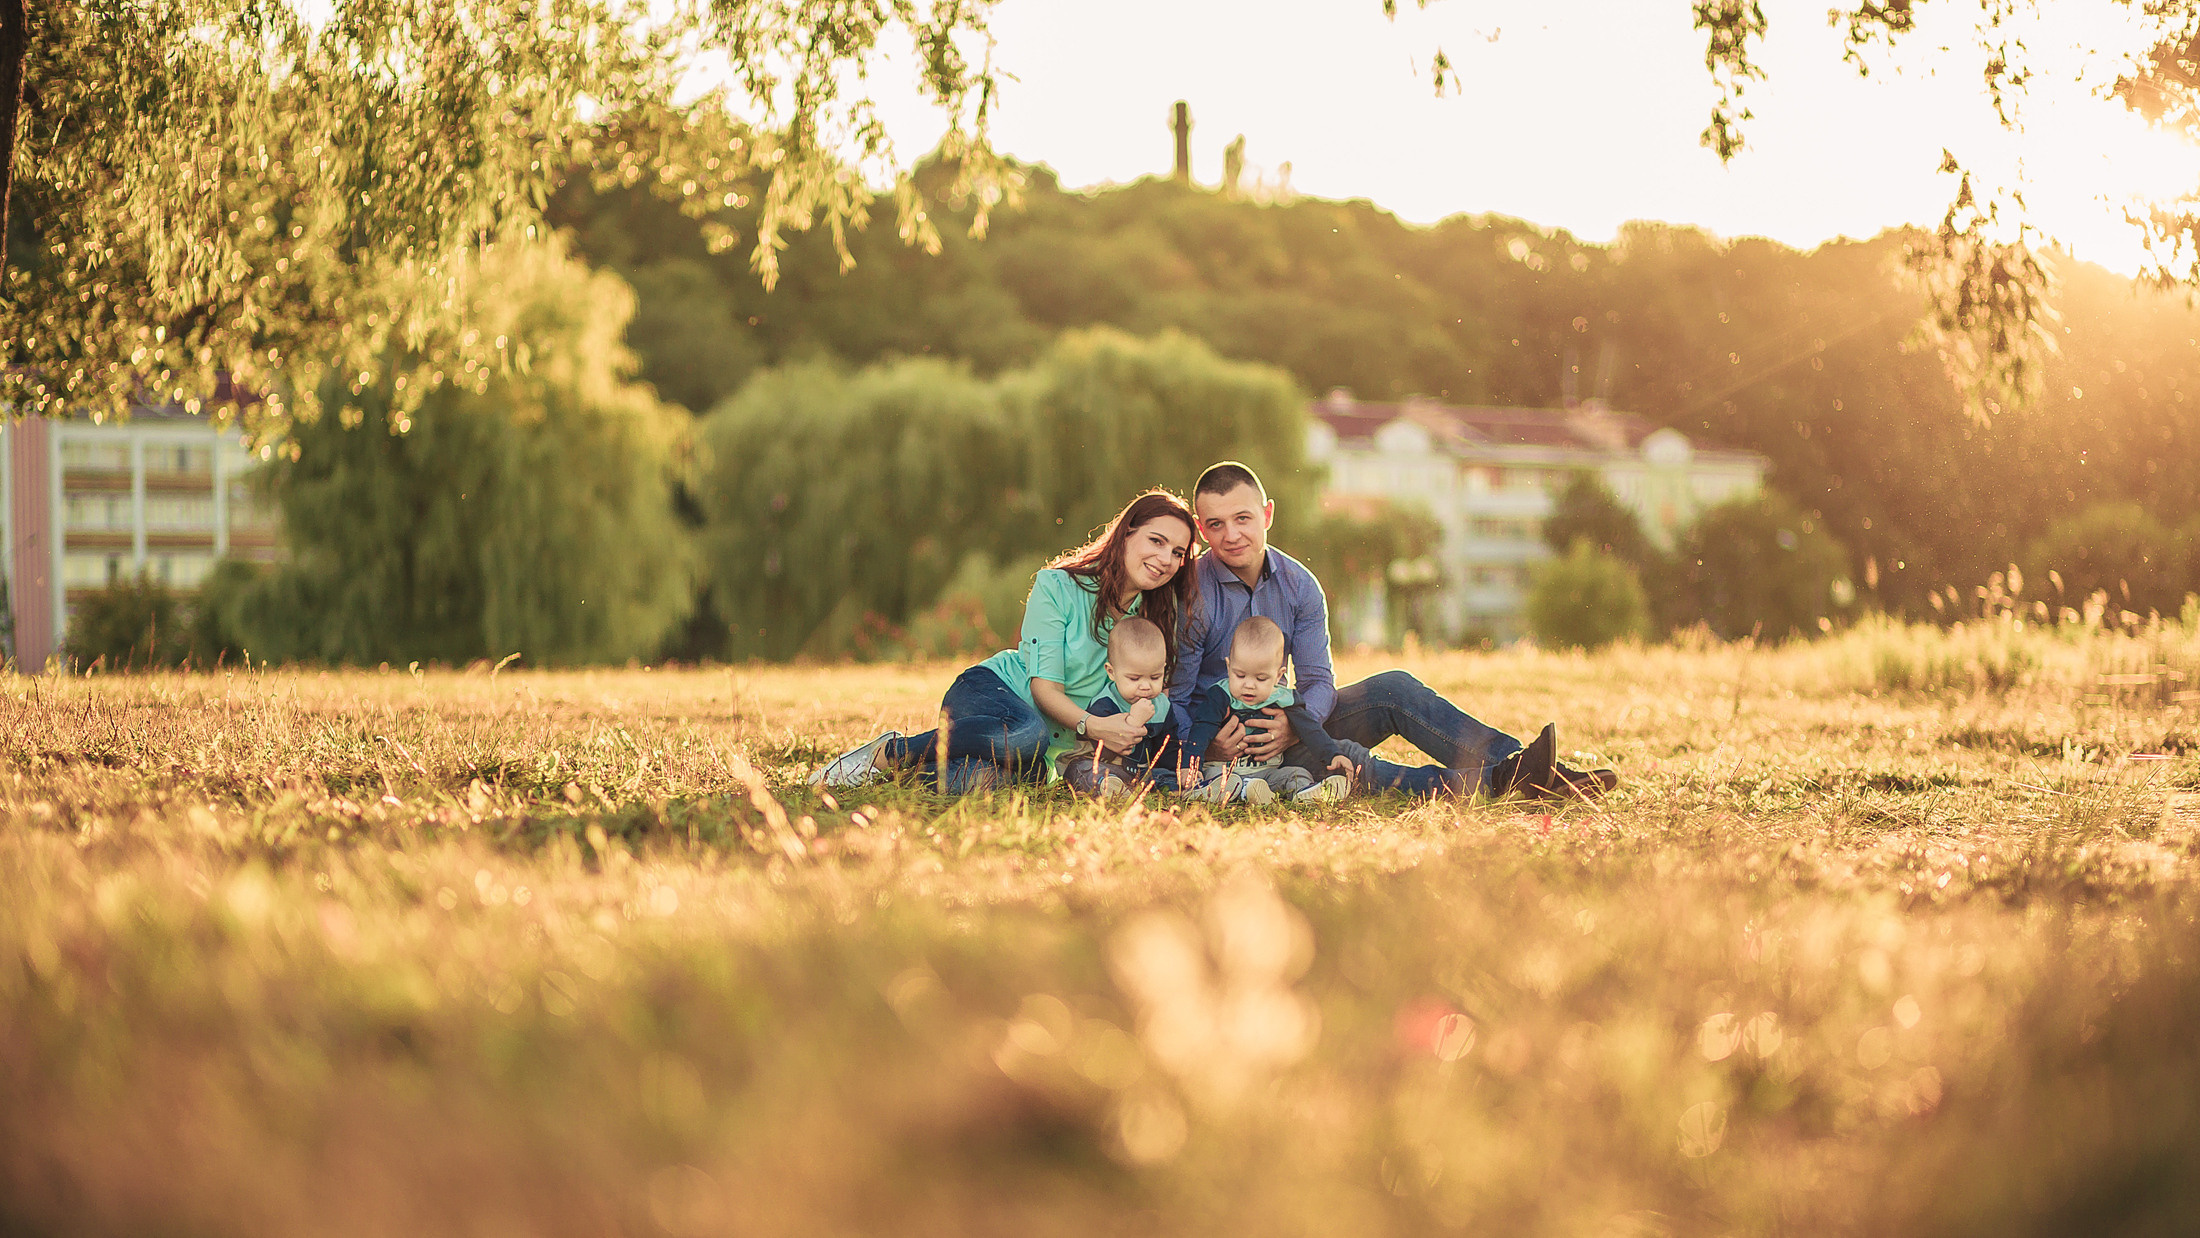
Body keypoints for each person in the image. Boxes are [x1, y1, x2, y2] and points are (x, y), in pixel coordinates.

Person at [1172, 460, 1616, 799]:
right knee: (1356, 765)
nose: (1231, 534)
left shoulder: (1300, 587)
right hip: (1220, 755)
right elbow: (1177, 695)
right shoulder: (1190, 591)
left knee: (1394, 688)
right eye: (1216, 524)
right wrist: (1207, 745)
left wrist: (1295, 724)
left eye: (1242, 518)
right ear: (1201, 529)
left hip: (1296, 730)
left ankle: (1523, 767)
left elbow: (1318, 682)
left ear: (1267, 514)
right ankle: (1503, 782)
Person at [811, 490, 1196, 793]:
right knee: (1028, 734)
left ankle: (907, 775)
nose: (1166, 558)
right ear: (1127, 533)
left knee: (988, 782)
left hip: (1045, 752)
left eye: (1178, 552)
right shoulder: (1057, 586)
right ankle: (890, 753)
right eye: (1157, 541)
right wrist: (1096, 727)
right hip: (993, 694)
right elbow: (1044, 689)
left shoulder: (1155, 618)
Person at [1179, 615, 1354, 805]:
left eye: (1260, 679)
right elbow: (1201, 730)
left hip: (1267, 773)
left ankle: (1307, 792)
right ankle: (1215, 791)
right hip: (1224, 770)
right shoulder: (1220, 695)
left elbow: (1310, 729)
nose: (1249, 685)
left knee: (1296, 773)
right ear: (1229, 667)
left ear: (1278, 675)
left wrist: (1333, 754)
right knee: (1224, 780)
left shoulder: (1283, 698)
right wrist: (1190, 765)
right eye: (1240, 675)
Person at [1055, 616, 1185, 797]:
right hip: (1108, 767)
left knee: (1166, 775)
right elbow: (1103, 753)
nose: (1146, 686)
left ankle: (1181, 791)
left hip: (1143, 774)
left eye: (1155, 677)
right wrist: (1134, 721)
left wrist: (1178, 770)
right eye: (1134, 678)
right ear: (1111, 672)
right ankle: (1109, 787)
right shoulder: (1105, 703)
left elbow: (1168, 745)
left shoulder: (1161, 705)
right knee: (1080, 769)